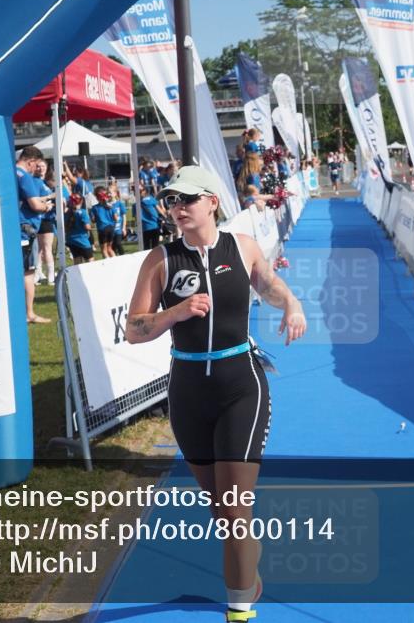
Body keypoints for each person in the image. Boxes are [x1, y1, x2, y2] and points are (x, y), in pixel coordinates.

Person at [127, 165, 306, 623]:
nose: (178, 208)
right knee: (225, 517)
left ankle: (239, 611)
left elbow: (268, 283)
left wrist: (292, 303)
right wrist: (177, 312)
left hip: (241, 387)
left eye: (187, 199)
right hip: (188, 393)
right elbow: (134, 329)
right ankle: (248, 573)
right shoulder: (161, 260)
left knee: (235, 509)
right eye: (171, 200)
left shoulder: (240, 247)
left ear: (212, 201)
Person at [16, 146, 54, 323]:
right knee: (28, 273)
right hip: (25, 231)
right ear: (30, 161)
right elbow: (34, 205)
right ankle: (29, 313)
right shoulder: (25, 177)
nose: (35, 170)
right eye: (35, 165)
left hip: (16, 228)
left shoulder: (11, 172)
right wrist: (46, 206)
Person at [33, 161, 56, 285]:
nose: (41, 168)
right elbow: (34, 200)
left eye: (43, 166)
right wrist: (50, 198)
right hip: (41, 219)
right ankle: (49, 276)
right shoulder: (36, 182)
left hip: (46, 218)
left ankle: (39, 274)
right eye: (39, 166)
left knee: (42, 249)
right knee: (46, 248)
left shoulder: (47, 182)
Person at [64, 192, 95, 264]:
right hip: (82, 240)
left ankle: (76, 275)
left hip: (71, 240)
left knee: (77, 261)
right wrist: (91, 227)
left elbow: (65, 227)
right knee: (90, 261)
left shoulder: (67, 213)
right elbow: (87, 227)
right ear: (81, 201)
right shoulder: (83, 212)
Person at [137, 183, 164, 249]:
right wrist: (165, 217)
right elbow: (159, 209)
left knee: (148, 248)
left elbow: (159, 209)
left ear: (144, 191)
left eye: (140, 191)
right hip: (147, 227)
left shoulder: (137, 203)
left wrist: (164, 216)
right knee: (153, 247)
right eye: (136, 190)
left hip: (151, 226)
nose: (139, 192)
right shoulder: (150, 199)